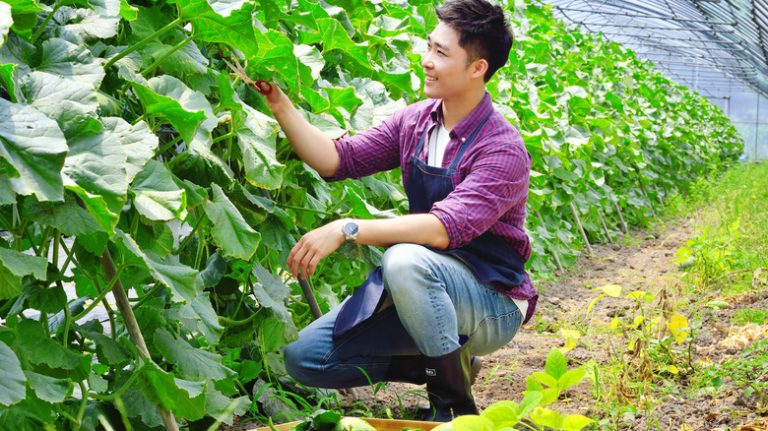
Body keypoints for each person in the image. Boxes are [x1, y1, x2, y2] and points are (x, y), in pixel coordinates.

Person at [257, 0, 537, 421]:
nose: (426, 61)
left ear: (477, 68)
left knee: (403, 260)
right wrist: (280, 105)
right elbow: (337, 160)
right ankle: (452, 367)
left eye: (441, 53)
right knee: (305, 359)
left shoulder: (502, 148)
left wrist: (347, 228)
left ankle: (453, 411)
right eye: (429, 47)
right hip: (425, 289)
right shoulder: (415, 123)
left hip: (491, 298)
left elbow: (443, 229)